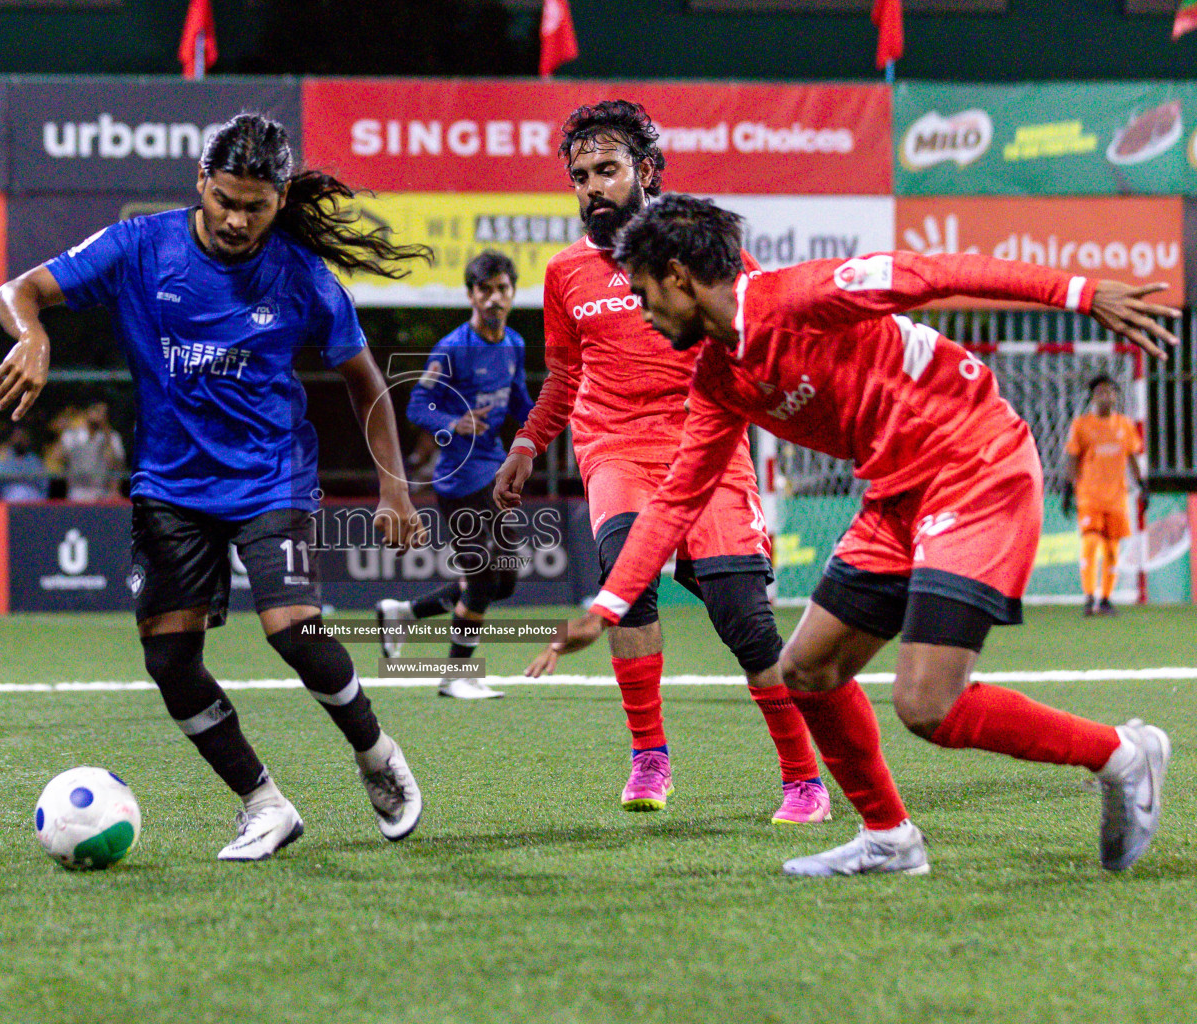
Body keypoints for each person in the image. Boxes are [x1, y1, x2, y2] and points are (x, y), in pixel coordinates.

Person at [534, 194, 1173, 876]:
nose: (644, 314)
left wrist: (1078, 292)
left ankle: (1124, 756)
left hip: (975, 464)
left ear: (679, 278)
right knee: (806, 670)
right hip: (896, 493)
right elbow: (676, 501)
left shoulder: (801, 296)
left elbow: (933, 273)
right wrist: (606, 609)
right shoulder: (719, 378)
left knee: (928, 704)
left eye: (643, 294)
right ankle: (890, 838)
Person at [0, 111, 433, 863]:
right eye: (224, 198)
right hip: (171, 485)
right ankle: (263, 804)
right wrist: (32, 334)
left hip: (271, 476)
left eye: (255, 206)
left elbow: (366, 384)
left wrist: (394, 487)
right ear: (200, 180)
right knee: (169, 661)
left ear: (281, 197)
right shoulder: (139, 247)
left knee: (293, 628)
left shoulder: (299, 273)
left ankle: (375, 752)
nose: (235, 219)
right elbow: (18, 291)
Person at [491, 100, 828, 822]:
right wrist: (526, 444)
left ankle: (803, 777)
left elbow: (763, 323)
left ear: (646, 171)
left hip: (707, 450)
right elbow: (564, 377)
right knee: (628, 587)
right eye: (579, 175)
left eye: (606, 170)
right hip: (615, 452)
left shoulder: (701, 248)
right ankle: (649, 760)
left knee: (746, 622)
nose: (591, 188)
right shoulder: (565, 274)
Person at [377, 250, 533, 700]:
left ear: (512, 293)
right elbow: (416, 406)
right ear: (471, 295)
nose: (494, 298)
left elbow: (519, 398)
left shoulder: (515, 345)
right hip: (460, 481)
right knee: (484, 578)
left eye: (502, 289)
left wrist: (551, 420)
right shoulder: (452, 348)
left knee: (504, 578)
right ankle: (456, 676)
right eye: (485, 290)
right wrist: (454, 423)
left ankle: (404, 613)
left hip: (496, 470)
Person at [1064, 375, 1146, 617]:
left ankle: (1106, 599)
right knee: (1090, 543)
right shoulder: (1081, 425)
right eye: (1100, 391)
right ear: (1092, 396)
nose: (1105, 396)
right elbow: (1072, 457)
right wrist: (1069, 489)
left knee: (1112, 550)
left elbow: (1132, 457)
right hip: (1089, 494)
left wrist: (1143, 485)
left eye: (1109, 391)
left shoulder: (1125, 425)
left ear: (1116, 396)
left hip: (1117, 497)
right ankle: (1089, 597)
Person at [60, 401, 126, 501]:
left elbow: (116, 463)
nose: (98, 415)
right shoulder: (72, 434)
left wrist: (105, 429)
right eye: (96, 411)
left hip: (101, 492)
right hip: (76, 491)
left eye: (102, 413)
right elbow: (60, 457)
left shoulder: (112, 437)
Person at [0, 425, 50, 502]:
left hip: (33, 500)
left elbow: (44, 485)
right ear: (11, 438)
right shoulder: (0, 457)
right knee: (19, 492)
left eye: (23, 436)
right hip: (10, 499)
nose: (20, 439)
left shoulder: (34, 459)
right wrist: (1, 463)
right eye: (17, 436)